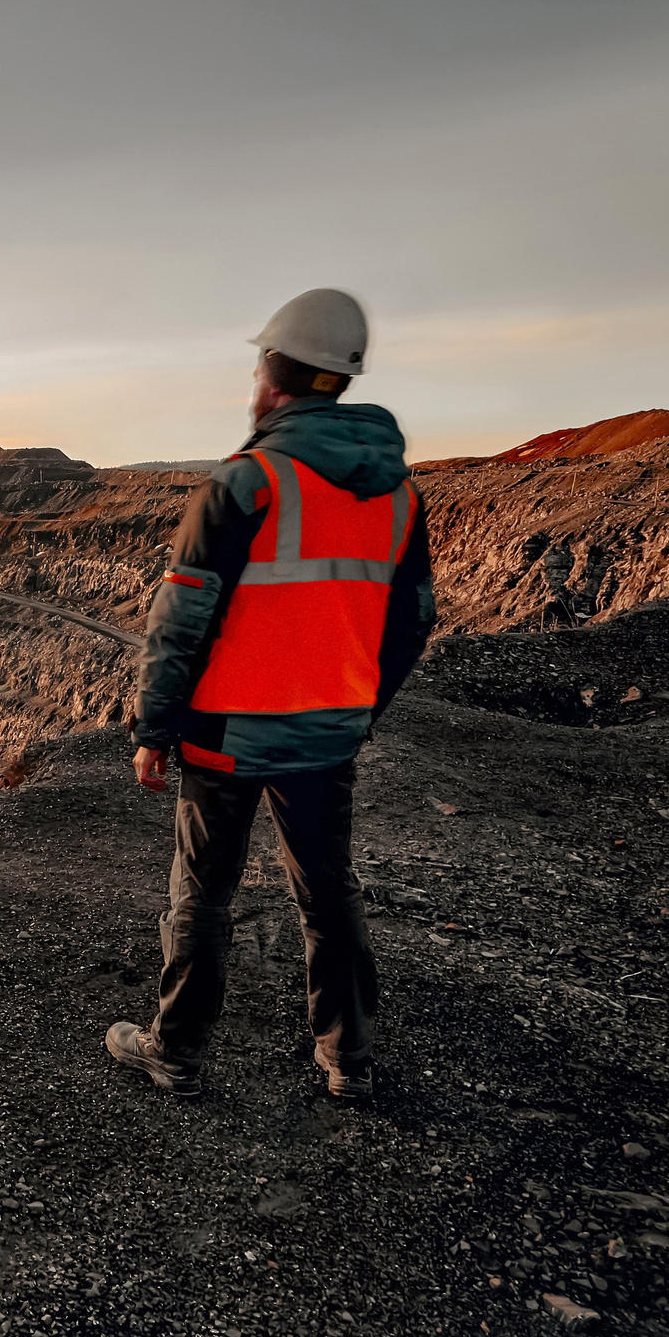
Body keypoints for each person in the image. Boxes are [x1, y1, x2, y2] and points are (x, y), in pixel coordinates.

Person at [106, 289, 436, 1101]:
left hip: (227, 735)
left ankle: (175, 1051)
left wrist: (153, 728)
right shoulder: (397, 497)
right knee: (328, 892)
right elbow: (412, 622)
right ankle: (349, 1060)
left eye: (260, 365)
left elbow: (179, 624)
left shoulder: (246, 483)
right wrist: (356, 708)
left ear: (275, 373)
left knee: (202, 895)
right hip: (326, 735)